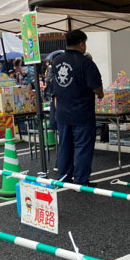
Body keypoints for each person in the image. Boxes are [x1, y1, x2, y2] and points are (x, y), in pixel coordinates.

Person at [52, 30, 104, 186]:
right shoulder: (85, 62)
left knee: (65, 146)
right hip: (81, 114)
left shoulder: (57, 61)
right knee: (82, 147)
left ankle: (63, 177)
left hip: (62, 113)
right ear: (81, 44)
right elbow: (97, 88)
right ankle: (81, 180)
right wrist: (100, 94)